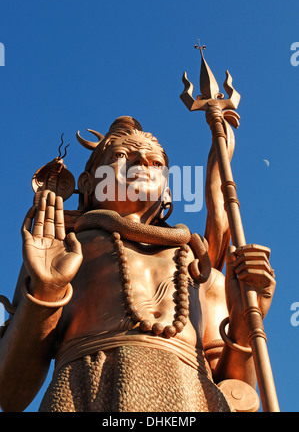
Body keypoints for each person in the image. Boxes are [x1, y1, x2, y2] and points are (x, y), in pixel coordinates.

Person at [0, 116, 275, 412]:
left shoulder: (198, 268)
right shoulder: (63, 252)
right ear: (88, 183)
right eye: (121, 155)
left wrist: (246, 321)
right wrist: (45, 292)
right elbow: (10, 393)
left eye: (157, 163)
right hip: (84, 394)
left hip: (189, 399)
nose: (143, 160)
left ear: (167, 190)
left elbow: (237, 391)